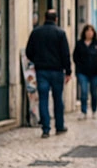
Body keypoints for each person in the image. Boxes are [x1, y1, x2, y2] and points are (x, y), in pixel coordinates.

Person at [25, 9, 72, 138]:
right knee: (58, 99)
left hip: (42, 71)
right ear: (56, 19)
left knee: (43, 99)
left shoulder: (36, 32)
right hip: (57, 71)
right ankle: (59, 126)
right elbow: (65, 54)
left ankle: (46, 129)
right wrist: (68, 71)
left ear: (44, 18)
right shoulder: (60, 33)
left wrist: (38, 61)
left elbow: (29, 52)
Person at [73, 24, 97, 120]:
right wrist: (79, 66)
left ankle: (94, 110)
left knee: (94, 92)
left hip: (95, 73)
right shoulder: (79, 44)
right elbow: (75, 56)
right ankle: (83, 111)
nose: (89, 33)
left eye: (91, 31)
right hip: (82, 72)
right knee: (83, 91)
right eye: (87, 31)